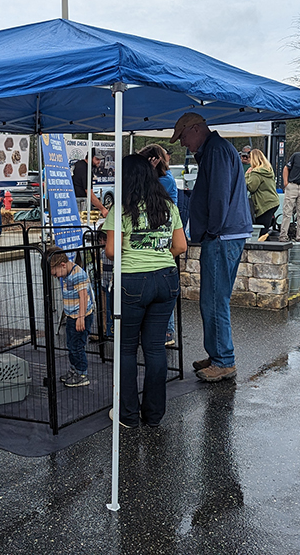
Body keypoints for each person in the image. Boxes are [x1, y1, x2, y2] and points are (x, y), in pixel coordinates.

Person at [103, 154, 186, 427]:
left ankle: (127, 415)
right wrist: (158, 255)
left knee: (126, 350)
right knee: (154, 348)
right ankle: (153, 415)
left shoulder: (122, 209)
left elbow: (112, 251)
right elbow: (181, 247)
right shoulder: (168, 205)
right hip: (166, 279)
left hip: (132, 282)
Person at [170, 112, 252, 382]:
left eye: (183, 136)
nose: (183, 143)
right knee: (214, 299)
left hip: (222, 236)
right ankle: (218, 353)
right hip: (227, 234)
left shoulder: (215, 151)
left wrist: (211, 232)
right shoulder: (218, 149)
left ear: (195, 129)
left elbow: (217, 196)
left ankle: (223, 360)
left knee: (214, 300)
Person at [137, 143, 179, 345]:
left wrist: (148, 173)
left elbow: (144, 194)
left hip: (163, 236)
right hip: (155, 234)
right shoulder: (159, 178)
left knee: (162, 284)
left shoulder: (165, 180)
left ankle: (167, 331)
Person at [48, 247, 94, 388]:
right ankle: (74, 369)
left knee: (77, 346)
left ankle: (82, 373)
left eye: (56, 274)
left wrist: (80, 317)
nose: (56, 277)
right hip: (71, 315)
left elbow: (83, 296)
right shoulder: (67, 273)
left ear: (62, 265)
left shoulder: (77, 274)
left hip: (81, 316)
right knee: (71, 344)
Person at [245, 149, 280, 241]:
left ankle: (262, 249)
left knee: (261, 229)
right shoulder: (268, 170)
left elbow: (251, 187)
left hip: (264, 203)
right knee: (265, 227)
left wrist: (247, 175)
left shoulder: (255, 172)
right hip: (273, 201)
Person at [72, 149, 108, 219]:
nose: (99, 162)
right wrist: (103, 209)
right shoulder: (86, 170)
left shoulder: (78, 164)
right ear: (90, 157)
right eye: (97, 159)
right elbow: (89, 193)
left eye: (100, 159)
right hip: (80, 204)